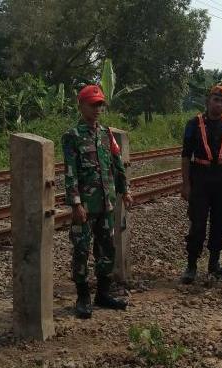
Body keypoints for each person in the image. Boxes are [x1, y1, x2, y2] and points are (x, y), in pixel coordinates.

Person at [62, 85, 133, 319]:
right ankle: (83, 297)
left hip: (106, 204)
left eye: (100, 104)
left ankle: (103, 293)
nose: (97, 109)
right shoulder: (72, 136)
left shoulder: (106, 134)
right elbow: (70, 172)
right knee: (81, 249)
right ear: (81, 106)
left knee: (106, 249)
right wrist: (75, 203)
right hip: (85, 206)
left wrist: (124, 190)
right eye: (93, 104)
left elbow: (117, 164)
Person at [180, 85, 222, 284]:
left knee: (220, 222)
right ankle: (191, 266)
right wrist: (185, 184)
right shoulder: (194, 123)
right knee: (198, 223)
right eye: (215, 100)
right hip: (200, 177)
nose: (218, 104)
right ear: (208, 101)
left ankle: (214, 264)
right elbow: (185, 156)